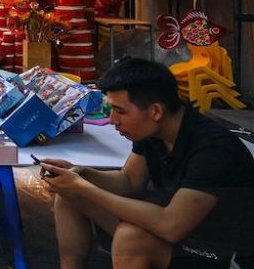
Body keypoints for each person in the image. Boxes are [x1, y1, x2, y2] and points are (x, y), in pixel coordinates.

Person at [43, 58, 254, 269]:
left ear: (156, 111)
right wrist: (80, 175)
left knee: (132, 240)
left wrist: (84, 187)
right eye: (111, 109)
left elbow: (171, 225)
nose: (113, 119)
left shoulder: (213, 150)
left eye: (120, 111)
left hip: (223, 254)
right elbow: (128, 181)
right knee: (70, 194)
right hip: (181, 233)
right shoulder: (154, 130)